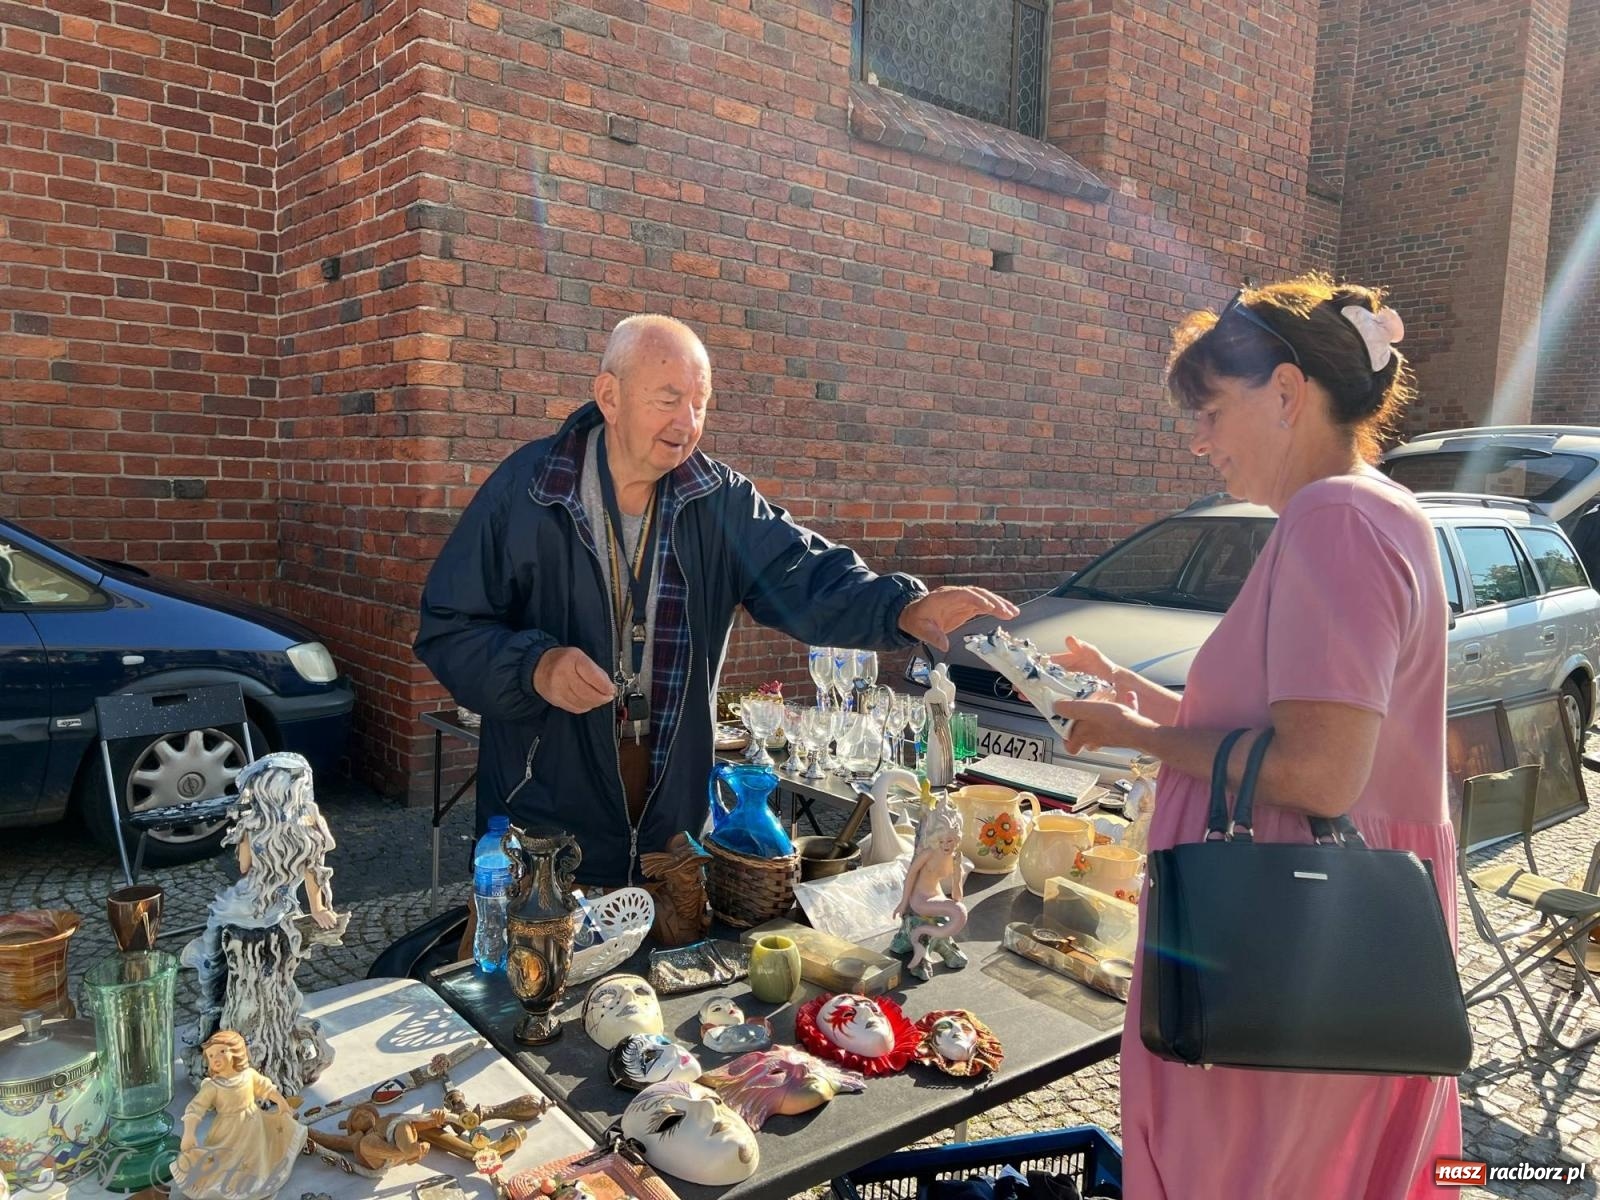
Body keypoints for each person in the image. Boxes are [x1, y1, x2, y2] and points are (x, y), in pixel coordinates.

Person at [1054, 275, 1460, 1198]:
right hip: (1324, 929)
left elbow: (1318, 774)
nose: (1199, 440)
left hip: (1289, 942)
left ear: (1285, 393)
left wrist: (1141, 736)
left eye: (1209, 411)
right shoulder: (1370, 508)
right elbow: (1294, 733)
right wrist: (1138, 700)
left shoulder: (1335, 521)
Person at [415, 313, 1015, 887]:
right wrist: (535, 668)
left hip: (669, 832)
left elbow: (801, 575)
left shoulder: (718, 499)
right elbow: (449, 627)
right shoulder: (526, 491)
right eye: (668, 399)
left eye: (700, 404)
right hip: (541, 825)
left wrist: (900, 609)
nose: (687, 422)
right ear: (610, 395)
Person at [173, 1030, 306, 1200]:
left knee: (257, 1156)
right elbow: (195, 1108)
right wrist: (189, 1132)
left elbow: (265, 1088)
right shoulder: (213, 1086)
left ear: (237, 1051)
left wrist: (281, 1102)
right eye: (211, 1055)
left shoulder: (248, 1075)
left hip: (254, 1125)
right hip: (228, 1131)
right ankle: (231, 1187)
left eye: (222, 1051)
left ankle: (258, 1181)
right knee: (227, 1160)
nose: (216, 1058)